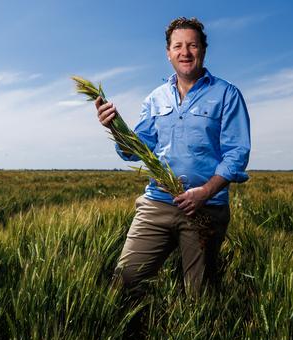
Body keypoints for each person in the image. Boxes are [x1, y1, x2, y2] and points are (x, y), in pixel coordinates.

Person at [94, 17, 251, 297]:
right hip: (158, 202)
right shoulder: (155, 98)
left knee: (198, 295)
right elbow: (135, 151)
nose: (185, 52)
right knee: (126, 281)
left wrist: (204, 192)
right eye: (178, 46)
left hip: (205, 208)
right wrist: (115, 128)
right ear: (168, 53)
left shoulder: (227, 94)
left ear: (203, 49)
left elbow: (236, 153)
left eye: (192, 45)